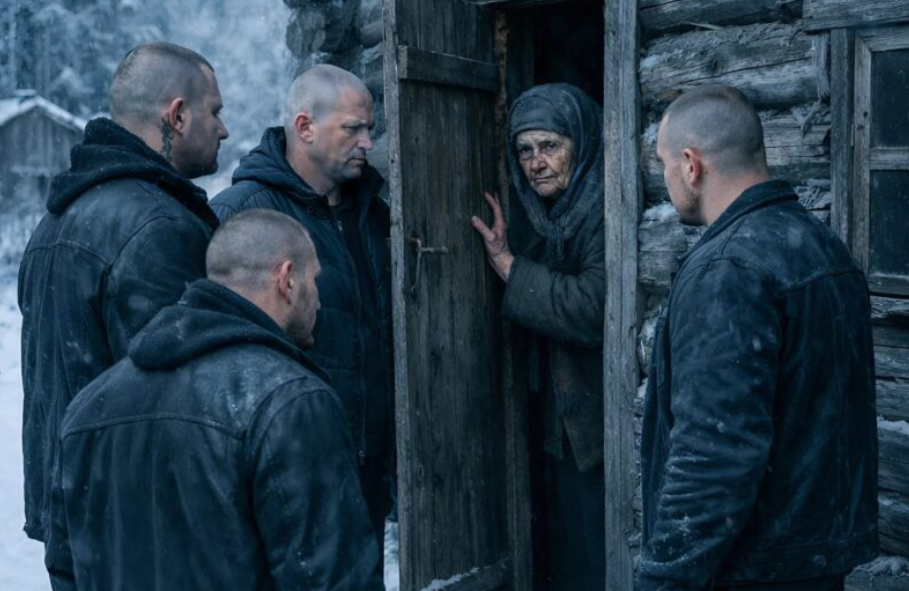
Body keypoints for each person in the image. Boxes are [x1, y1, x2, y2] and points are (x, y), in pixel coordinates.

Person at [44, 209, 384, 591]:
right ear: (287, 279)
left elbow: (66, 567)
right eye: (314, 280)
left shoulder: (89, 407)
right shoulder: (291, 402)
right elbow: (332, 579)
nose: (319, 300)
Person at [641, 86, 878, 591]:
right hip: (813, 564)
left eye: (663, 164)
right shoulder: (822, 245)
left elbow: (713, 454)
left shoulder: (728, 269)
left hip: (752, 569)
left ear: (691, 165)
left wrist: (663, 581)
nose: (666, 179)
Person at [18, 41, 228, 544]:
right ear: (177, 116)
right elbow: (180, 402)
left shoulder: (54, 221)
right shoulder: (159, 227)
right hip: (138, 527)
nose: (224, 129)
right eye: (215, 112)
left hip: (72, 513)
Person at [210, 65, 393, 558]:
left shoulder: (373, 215)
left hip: (365, 467)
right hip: (286, 468)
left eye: (369, 128)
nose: (367, 142)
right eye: (353, 128)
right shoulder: (242, 215)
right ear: (305, 127)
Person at [471, 83, 606, 590]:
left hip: (597, 420)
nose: (536, 163)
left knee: (594, 549)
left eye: (550, 146)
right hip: (551, 417)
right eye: (524, 150)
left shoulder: (604, 207)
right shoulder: (538, 214)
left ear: (581, 143)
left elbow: (592, 308)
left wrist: (508, 265)